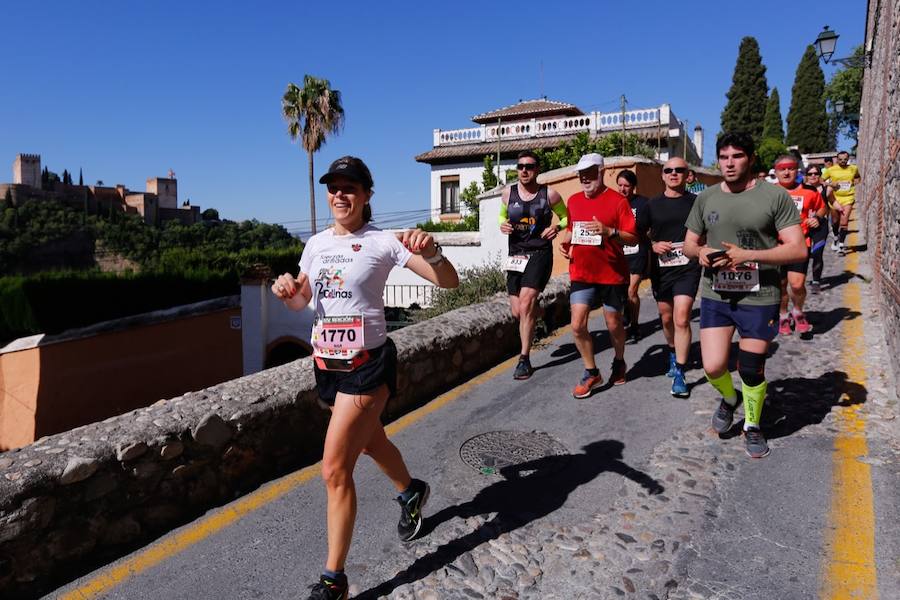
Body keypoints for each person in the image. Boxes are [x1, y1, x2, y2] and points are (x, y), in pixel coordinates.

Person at [272, 156, 459, 600]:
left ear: (367, 195)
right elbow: (303, 302)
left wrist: (432, 252)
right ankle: (412, 491)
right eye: (334, 187)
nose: (340, 195)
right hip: (327, 366)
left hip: (367, 367)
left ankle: (333, 580)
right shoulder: (315, 244)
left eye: (350, 187)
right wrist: (288, 292)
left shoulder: (384, 242)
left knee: (335, 469)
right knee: (372, 441)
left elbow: (448, 281)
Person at [683, 133, 806, 459]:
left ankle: (753, 425)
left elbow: (797, 247)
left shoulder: (774, 196)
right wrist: (701, 252)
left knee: (751, 368)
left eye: (737, 156)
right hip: (716, 293)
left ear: (750, 159)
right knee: (712, 366)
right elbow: (688, 244)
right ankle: (730, 398)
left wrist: (749, 255)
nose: (729, 163)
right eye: (723, 157)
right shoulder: (705, 197)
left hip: (760, 295)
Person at [559, 153, 638, 398]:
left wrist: (610, 231)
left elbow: (633, 237)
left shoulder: (618, 201)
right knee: (577, 324)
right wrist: (568, 241)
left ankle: (619, 361)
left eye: (590, 172)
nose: (585, 178)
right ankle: (591, 371)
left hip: (611, 274)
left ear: (602, 171)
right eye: (581, 173)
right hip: (581, 272)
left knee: (614, 324)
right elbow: (573, 227)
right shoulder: (572, 201)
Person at [500, 150, 567, 380]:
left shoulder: (550, 195)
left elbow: (567, 217)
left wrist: (557, 227)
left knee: (527, 302)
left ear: (537, 169)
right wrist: (503, 225)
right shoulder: (507, 193)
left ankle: (524, 359)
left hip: (539, 253)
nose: (524, 170)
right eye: (520, 167)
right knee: (518, 311)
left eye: (529, 166)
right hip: (516, 255)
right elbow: (502, 216)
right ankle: (544, 313)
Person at [647, 157, 701, 397]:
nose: (674, 174)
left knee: (681, 318)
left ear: (687, 175)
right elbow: (640, 234)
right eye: (669, 170)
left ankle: (680, 370)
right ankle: (672, 349)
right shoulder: (652, 204)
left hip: (688, 267)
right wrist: (653, 244)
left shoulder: (697, 202)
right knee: (666, 317)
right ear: (662, 175)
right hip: (662, 268)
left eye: (679, 170)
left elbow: (707, 230)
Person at [772, 156, 826, 335]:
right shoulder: (768, 192)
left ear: (797, 171)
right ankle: (783, 315)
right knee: (780, 285)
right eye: (782, 169)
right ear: (776, 171)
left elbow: (822, 207)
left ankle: (798, 311)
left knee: (796, 285)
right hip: (775, 246)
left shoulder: (809, 191)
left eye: (791, 168)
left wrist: (816, 218)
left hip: (800, 243)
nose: (786, 172)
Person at [616, 169, 650, 344]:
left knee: (632, 290)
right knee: (622, 291)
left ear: (633, 187)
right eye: (620, 185)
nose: (622, 189)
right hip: (619, 252)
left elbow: (650, 226)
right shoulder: (613, 202)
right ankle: (627, 313)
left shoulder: (643, 203)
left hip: (637, 251)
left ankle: (635, 325)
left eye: (626, 186)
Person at [803, 165, 835, 293]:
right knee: (804, 255)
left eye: (816, 173)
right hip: (804, 226)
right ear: (806, 175)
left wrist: (840, 209)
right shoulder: (800, 188)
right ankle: (799, 279)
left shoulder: (826, 189)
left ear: (820, 174)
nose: (813, 176)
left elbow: (833, 201)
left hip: (820, 226)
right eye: (810, 174)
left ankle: (816, 281)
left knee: (817, 253)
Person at [823, 151, 861, 255]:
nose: (843, 161)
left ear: (848, 159)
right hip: (834, 199)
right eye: (840, 159)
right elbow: (821, 180)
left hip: (848, 198)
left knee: (844, 222)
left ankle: (841, 245)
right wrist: (830, 184)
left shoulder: (853, 168)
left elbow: (857, 177)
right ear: (837, 159)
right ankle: (836, 237)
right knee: (835, 222)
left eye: (845, 159)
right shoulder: (831, 170)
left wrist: (855, 182)